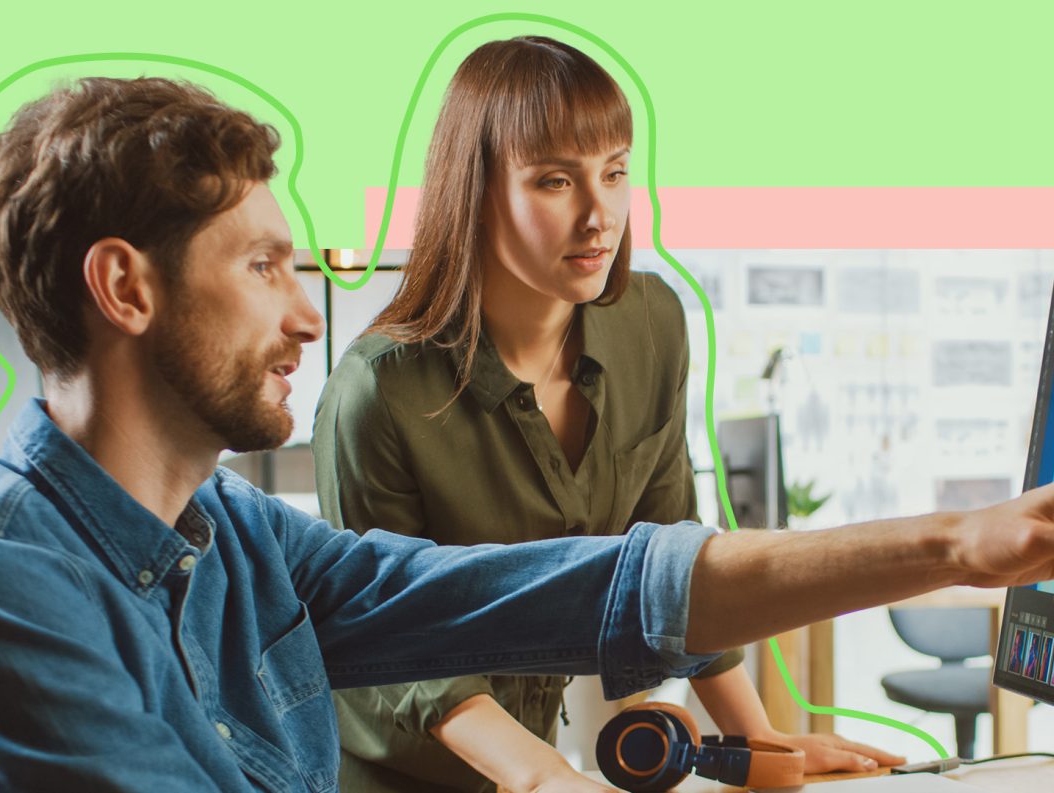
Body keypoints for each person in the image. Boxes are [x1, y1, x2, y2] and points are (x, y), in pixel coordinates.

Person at [0, 75, 1054, 793]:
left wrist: (965, 543)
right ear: (125, 288)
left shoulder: (227, 534)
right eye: (262, 266)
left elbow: (589, 585)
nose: (308, 313)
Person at [312, 37, 901, 792]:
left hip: (540, 766)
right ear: (476, 190)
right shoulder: (377, 390)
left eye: (615, 173)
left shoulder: (651, 324)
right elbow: (400, 639)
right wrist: (543, 777)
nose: (599, 216)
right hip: (393, 776)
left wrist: (757, 741)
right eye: (556, 181)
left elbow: (675, 559)